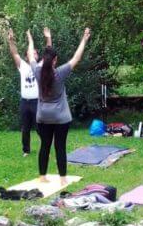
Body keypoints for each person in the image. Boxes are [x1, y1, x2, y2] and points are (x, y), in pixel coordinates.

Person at [27, 27, 91, 186]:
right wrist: (84, 39)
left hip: (43, 116)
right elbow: (76, 57)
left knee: (45, 146)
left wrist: (30, 39)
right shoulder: (60, 73)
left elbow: (30, 55)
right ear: (55, 60)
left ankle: (42, 176)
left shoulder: (37, 71)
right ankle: (62, 178)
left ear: (43, 58)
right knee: (60, 147)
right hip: (61, 117)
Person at [8, 27, 52, 156]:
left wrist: (48, 37)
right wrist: (11, 41)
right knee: (25, 128)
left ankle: (46, 149)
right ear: (27, 56)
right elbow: (14, 53)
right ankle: (26, 150)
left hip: (37, 102)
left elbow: (49, 52)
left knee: (40, 128)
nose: (34, 55)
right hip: (24, 102)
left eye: (36, 53)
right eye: (31, 53)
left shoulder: (40, 66)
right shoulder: (22, 66)